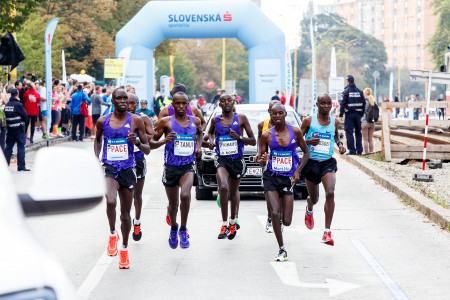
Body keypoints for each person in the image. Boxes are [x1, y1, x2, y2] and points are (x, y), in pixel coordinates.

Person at [94, 88, 150, 269]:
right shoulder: (103, 121)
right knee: (110, 201)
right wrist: (97, 157)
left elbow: (147, 149)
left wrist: (137, 143)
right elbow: (98, 140)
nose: (123, 101)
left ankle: (124, 250)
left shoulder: (136, 120)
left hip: (128, 170)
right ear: (113, 101)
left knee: (126, 215)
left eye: (125, 98)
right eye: (119, 98)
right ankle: (112, 235)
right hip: (110, 168)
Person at [257, 103, 309, 261]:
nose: (277, 116)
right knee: (274, 212)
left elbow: (306, 153)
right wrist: (262, 159)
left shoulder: (295, 131)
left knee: (286, 221)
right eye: (274, 113)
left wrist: (297, 170)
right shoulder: (266, 135)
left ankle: (279, 224)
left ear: (285, 114)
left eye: (280, 113)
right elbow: (260, 159)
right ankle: (282, 249)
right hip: (271, 177)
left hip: (287, 179)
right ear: (271, 115)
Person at [150, 91, 202, 249]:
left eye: (183, 103)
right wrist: (165, 140)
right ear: (172, 105)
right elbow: (151, 143)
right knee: (173, 204)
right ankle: (173, 227)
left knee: (185, 195)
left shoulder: (196, 121)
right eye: (177, 103)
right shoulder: (165, 122)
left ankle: (183, 229)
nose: (180, 106)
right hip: (171, 167)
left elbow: (200, 135)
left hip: (187, 166)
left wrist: (198, 147)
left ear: (188, 105)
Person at [205, 93, 256, 240]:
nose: (226, 103)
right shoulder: (215, 120)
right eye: (223, 101)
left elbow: (253, 141)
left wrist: (239, 137)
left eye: (229, 100)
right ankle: (224, 223)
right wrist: (213, 141)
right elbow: (209, 133)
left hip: (237, 160)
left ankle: (233, 221)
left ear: (234, 102)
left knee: (233, 192)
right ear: (219, 104)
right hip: (222, 159)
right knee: (223, 187)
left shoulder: (241, 119)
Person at [300, 93, 346, 246]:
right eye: (323, 103)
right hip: (311, 163)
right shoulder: (309, 121)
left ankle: (327, 232)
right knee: (315, 198)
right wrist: (308, 141)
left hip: (327, 163)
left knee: (330, 192)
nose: (326, 106)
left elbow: (336, 136)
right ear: (317, 104)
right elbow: (297, 140)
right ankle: (309, 207)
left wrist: (340, 145)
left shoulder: (334, 122)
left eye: (328, 103)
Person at [127, 93, 154, 242]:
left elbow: (151, 135)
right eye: (127, 102)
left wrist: (138, 139)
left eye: (132, 103)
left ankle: (137, 221)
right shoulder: (117, 118)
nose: (129, 105)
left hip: (137, 158)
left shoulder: (142, 118)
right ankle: (124, 219)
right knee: (125, 195)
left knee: (137, 194)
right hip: (122, 160)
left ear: (136, 104)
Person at [257, 100, 280, 233]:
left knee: (282, 192)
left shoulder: (287, 127)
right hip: (267, 163)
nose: (276, 114)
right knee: (268, 193)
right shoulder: (262, 125)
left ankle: (279, 219)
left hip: (282, 163)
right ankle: (270, 218)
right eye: (273, 111)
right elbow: (260, 143)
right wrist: (259, 155)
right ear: (269, 111)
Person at [339, 75, 365, 155]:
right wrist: (361, 113)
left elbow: (342, 104)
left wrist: (341, 114)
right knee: (358, 132)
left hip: (349, 115)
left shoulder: (346, 92)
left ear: (347, 81)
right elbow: (364, 103)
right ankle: (359, 150)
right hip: (358, 115)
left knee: (349, 132)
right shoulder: (360, 91)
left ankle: (352, 151)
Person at [4, 89, 29, 171]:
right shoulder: (18, 104)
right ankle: (21, 166)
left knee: (8, 148)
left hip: (10, 130)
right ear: (17, 94)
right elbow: (25, 116)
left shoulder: (7, 105)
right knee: (21, 147)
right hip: (19, 129)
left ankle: (4, 166)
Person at [361, 88, 376, 154]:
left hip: (364, 122)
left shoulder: (363, 101)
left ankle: (366, 153)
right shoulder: (373, 100)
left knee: (365, 139)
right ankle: (372, 152)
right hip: (372, 123)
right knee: (370, 139)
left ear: (365, 93)